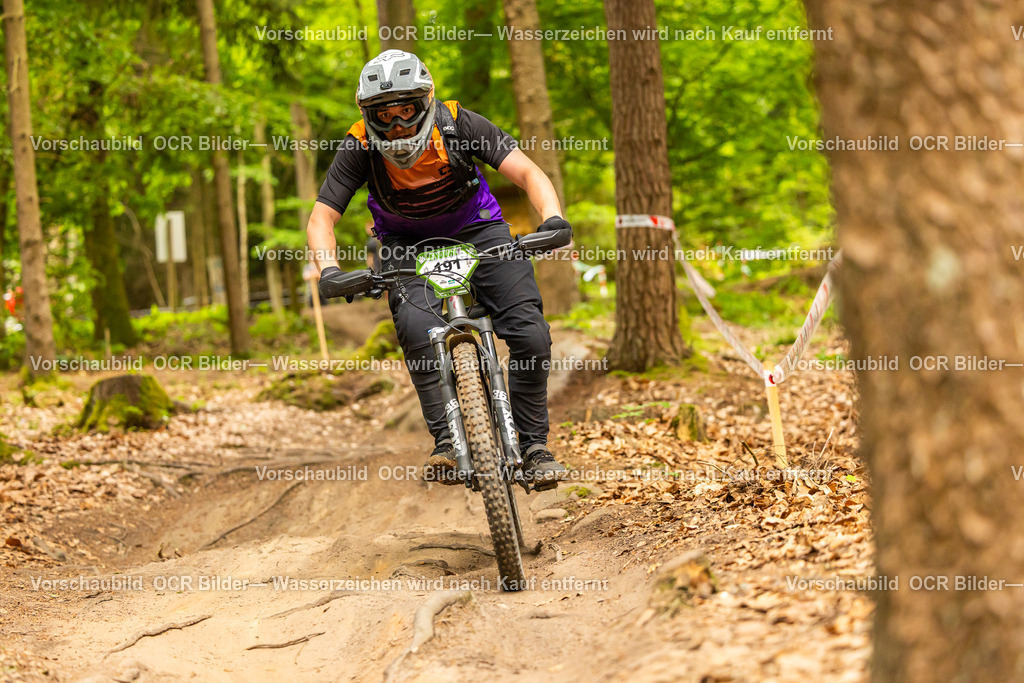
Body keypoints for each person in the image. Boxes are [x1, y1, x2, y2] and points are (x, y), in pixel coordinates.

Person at [306, 49, 570, 486]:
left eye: (406, 110)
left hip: (479, 230)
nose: (397, 125)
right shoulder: (359, 145)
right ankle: (448, 443)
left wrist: (553, 218)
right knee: (416, 332)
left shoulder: (459, 124)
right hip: (406, 245)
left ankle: (535, 447)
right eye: (383, 115)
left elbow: (527, 172)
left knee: (530, 334)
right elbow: (322, 217)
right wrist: (329, 270)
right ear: (366, 114)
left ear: (426, 100)